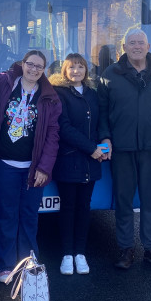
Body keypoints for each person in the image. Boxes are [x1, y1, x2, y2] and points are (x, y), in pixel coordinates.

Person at [98, 28, 151, 271]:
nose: (137, 46)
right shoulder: (110, 74)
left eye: (140, 42)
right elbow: (102, 112)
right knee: (123, 200)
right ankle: (126, 248)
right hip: (122, 148)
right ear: (125, 48)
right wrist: (106, 137)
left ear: (148, 46)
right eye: (132, 43)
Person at [0, 50, 61, 283]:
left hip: (33, 168)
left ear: (44, 70)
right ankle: (6, 265)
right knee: (7, 215)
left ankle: (29, 263)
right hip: (4, 165)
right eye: (30, 64)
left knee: (30, 216)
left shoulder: (50, 97)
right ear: (22, 64)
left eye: (39, 67)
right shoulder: (4, 82)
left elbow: (53, 135)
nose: (34, 69)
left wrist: (44, 167)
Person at [49, 53, 106, 275]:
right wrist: (91, 148)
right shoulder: (59, 94)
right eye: (71, 67)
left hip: (91, 162)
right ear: (64, 71)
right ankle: (66, 254)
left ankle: (80, 253)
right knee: (68, 208)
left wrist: (103, 143)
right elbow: (63, 127)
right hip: (69, 160)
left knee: (84, 208)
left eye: (80, 67)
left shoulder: (93, 94)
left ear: (86, 71)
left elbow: (101, 122)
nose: (76, 71)